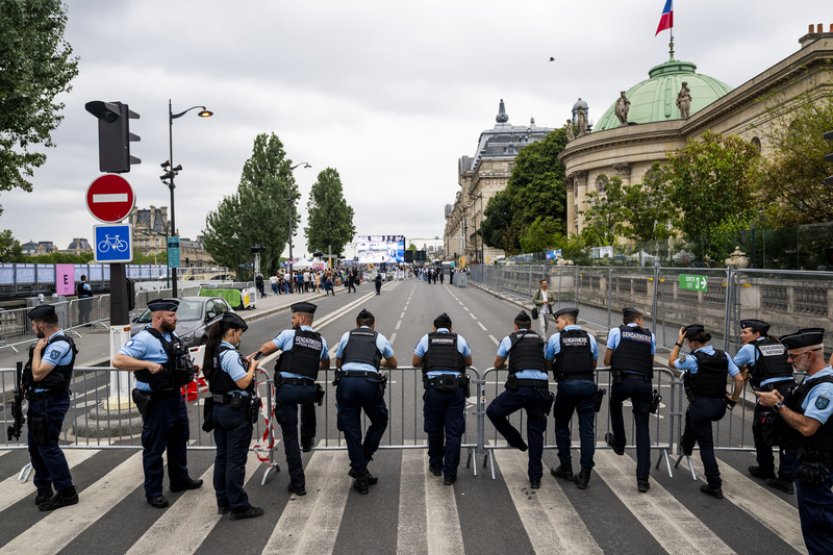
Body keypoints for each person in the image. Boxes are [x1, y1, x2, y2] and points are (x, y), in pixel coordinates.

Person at [113, 299, 203, 508]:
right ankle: (153, 492)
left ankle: (179, 479)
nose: (176, 318)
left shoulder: (172, 337)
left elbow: (176, 362)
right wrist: (147, 364)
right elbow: (118, 361)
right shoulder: (144, 339)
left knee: (179, 441)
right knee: (154, 448)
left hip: (175, 397)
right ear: (158, 317)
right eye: (171, 316)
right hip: (156, 402)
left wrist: (191, 370)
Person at [756, 328, 833, 554]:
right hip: (807, 465)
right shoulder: (811, 381)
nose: (789, 360)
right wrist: (780, 400)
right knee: (813, 528)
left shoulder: (825, 387)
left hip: (816, 468)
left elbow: (808, 427)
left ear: (810, 355)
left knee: (819, 533)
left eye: (794, 356)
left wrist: (778, 406)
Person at [255, 302, 329, 496]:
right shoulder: (321, 341)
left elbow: (267, 347)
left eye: (293, 318)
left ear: (301, 318)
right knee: (308, 404)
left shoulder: (289, 335)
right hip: (307, 390)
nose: (292, 321)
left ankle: (298, 483)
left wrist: (253, 358)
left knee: (289, 435)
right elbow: (325, 363)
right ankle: (308, 438)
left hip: (287, 390)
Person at [669, 324, 744, 499]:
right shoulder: (723, 355)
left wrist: (678, 343)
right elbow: (739, 379)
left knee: (706, 446)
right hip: (719, 406)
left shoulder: (693, 359)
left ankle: (714, 484)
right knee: (691, 416)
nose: (687, 345)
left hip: (702, 406)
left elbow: (671, 362)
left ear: (694, 342)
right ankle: (686, 445)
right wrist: (734, 398)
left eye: (688, 342)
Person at [202, 312, 263, 520]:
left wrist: (242, 364)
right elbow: (243, 383)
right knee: (235, 461)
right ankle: (239, 506)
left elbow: (224, 375)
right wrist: (252, 367)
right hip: (235, 412)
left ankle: (223, 502)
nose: (240, 338)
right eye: (239, 334)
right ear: (231, 332)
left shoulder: (214, 352)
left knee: (222, 457)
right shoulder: (229, 355)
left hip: (218, 410)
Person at [487, 311, 554, 489]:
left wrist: (511, 364)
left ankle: (516, 440)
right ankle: (535, 478)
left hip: (519, 389)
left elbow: (497, 364)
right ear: (530, 327)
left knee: (493, 411)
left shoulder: (510, 339)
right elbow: (547, 363)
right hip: (540, 389)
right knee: (536, 433)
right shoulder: (540, 340)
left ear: (515, 326)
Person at [22, 304, 79, 511]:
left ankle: (66, 491)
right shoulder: (51, 341)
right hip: (40, 402)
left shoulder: (58, 345)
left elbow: (38, 373)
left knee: (47, 447)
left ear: (42, 325)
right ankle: (44, 489)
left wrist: (37, 350)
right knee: (36, 448)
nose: (33, 329)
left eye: (34, 325)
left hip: (50, 403)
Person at [334, 309, 397, 493]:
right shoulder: (379, 338)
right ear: (373, 324)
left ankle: (360, 474)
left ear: (356, 324)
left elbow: (338, 363)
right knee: (380, 420)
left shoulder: (347, 336)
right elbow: (393, 363)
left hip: (346, 383)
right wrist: (376, 363)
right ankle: (364, 459)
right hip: (369, 384)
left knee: (351, 431)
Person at [733, 318, 797, 493]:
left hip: (769, 394)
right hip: (789, 391)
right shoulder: (779, 344)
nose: (741, 335)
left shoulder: (750, 348)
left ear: (756, 334)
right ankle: (786, 477)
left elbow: (732, 366)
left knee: (760, 430)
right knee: (786, 433)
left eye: (745, 332)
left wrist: (743, 372)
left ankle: (766, 468)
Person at [413, 313, 473, 485]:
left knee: (434, 428)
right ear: (451, 328)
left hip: (434, 389)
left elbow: (415, 361)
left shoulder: (427, 339)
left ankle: (436, 466)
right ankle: (450, 474)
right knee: (454, 432)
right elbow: (469, 361)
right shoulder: (459, 340)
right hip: (455, 390)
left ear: (434, 327)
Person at [604, 307, 656, 493]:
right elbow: (649, 361)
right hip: (644, 384)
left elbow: (607, 361)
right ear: (639, 320)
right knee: (643, 430)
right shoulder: (650, 336)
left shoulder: (617, 332)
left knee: (614, 403)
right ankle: (643, 480)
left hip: (623, 382)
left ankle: (620, 442)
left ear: (625, 321)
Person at [546, 307, 599, 489]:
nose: (556, 326)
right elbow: (593, 363)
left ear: (567, 321)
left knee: (561, 425)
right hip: (587, 385)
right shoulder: (590, 338)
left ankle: (566, 467)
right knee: (587, 431)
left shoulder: (556, 339)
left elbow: (547, 361)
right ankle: (585, 474)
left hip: (567, 386)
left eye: (558, 322)